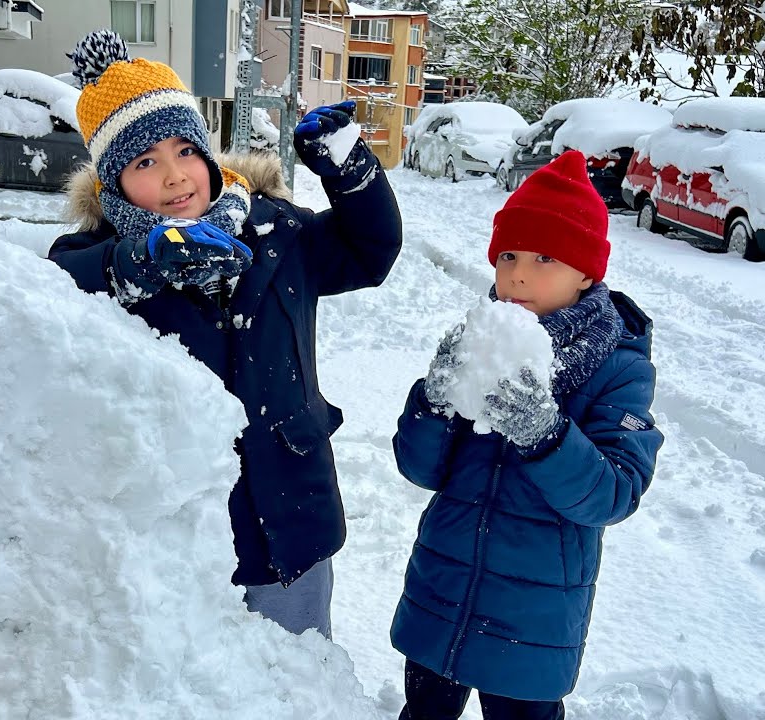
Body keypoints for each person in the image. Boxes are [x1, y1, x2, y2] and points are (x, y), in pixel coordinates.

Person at [48, 29, 402, 638]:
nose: (174, 176)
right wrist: (143, 259)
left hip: (293, 512)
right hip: (180, 535)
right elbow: (54, 284)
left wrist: (350, 168)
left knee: (293, 678)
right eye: (144, 162)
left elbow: (370, 252)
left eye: (184, 150)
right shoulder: (102, 259)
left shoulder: (277, 230)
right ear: (113, 184)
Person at [390, 150, 664, 719]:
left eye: (545, 258)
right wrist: (436, 399)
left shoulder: (617, 366)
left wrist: (546, 434)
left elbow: (614, 493)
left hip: (532, 620)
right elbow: (420, 469)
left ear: (587, 272)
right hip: (444, 591)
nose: (517, 274)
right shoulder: (478, 343)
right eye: (508, 255)